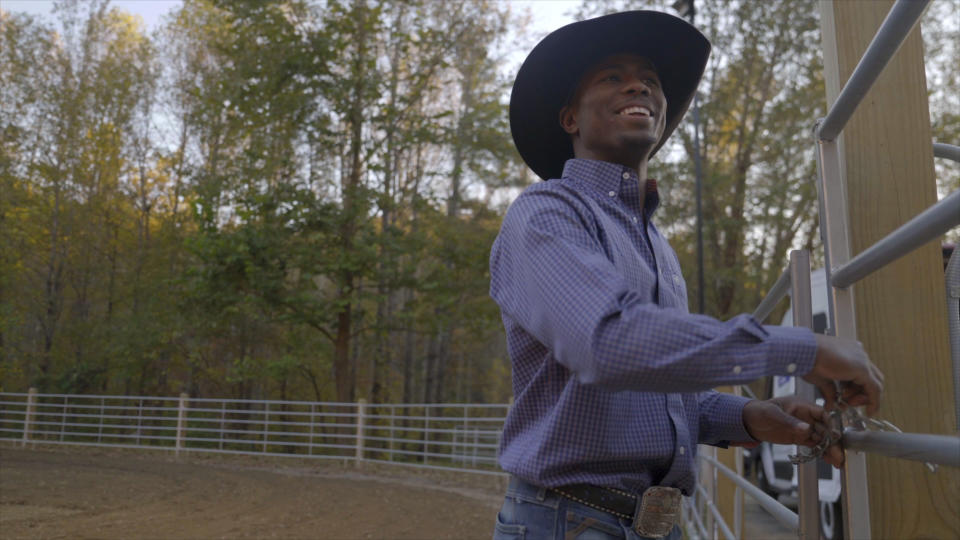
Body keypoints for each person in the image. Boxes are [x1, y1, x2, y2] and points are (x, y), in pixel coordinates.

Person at [489, 11, 884, 540]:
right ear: (570, 120)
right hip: (566, 521)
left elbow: (666, 398)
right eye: (612, 76)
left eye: (650, 81)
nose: (638, 86)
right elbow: (609, 343)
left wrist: (750, 417)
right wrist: (804, 348)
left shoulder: (657, 247)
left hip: (655, 525)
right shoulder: (545, 214)